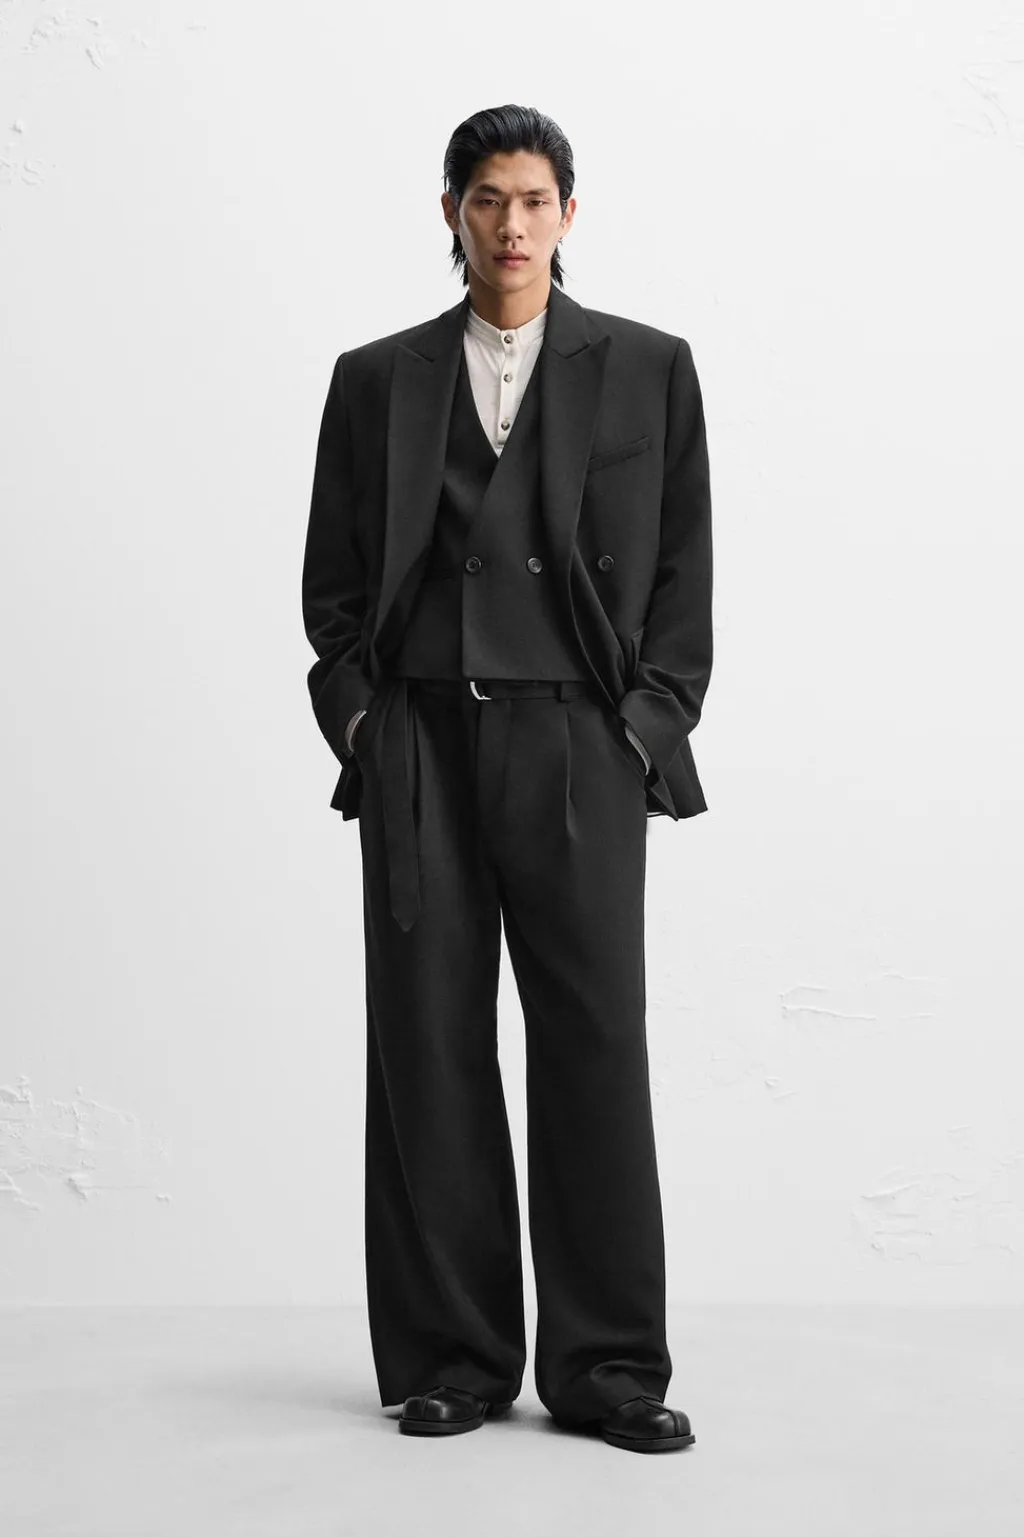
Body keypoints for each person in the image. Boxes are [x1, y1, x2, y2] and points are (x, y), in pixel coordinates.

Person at [301, 104, 712, 1454]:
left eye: (535, 200)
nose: (512, 224)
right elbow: (334, 585)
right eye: (488, 199)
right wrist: (364, 726)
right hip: (419, 739)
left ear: (569, 215)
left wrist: (645, 725)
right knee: (427, 1045)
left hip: (580, 744)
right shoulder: (376, 378)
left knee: (595, 1048)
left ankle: (609, 1372)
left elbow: (683, 575)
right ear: (452, 214)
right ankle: (452, 1360)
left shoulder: (648, 368)